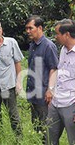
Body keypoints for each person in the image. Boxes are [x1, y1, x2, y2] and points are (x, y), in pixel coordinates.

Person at [46, 19, 75, 145]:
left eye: (57, 34)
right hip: (56, 102)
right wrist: (51, 89)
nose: (55, 37)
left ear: (66, 34)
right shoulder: (63, 49)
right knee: (50, 139)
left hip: (71, 103)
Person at [25, 15, 59, 143]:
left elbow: (54, 69)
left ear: (39, 28)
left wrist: (50, 90)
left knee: (47, 129)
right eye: (26, 28)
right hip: (33, 93)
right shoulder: (33, 45)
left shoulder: (48, 46)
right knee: (37, 127)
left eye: (30, 28)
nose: (28, 31)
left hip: (44, 95)